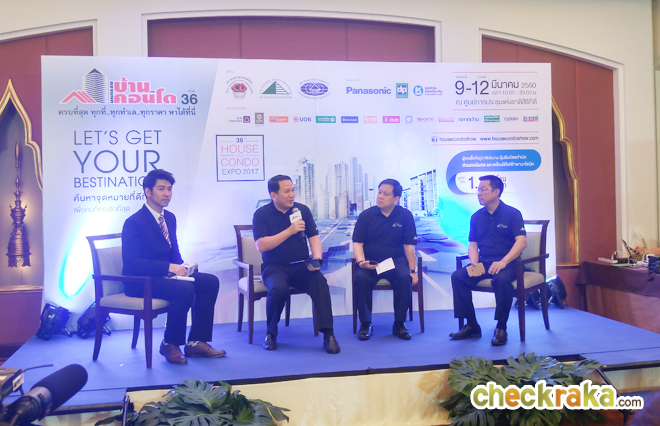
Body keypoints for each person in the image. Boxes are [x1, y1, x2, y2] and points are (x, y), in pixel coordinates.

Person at [122, 169, 225, 365]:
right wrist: (168, 267)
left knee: (210, 281)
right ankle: (170, 343)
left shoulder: (169, 218)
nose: (167, 193)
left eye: (169, 189)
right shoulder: (134, 222)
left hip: (166, 276)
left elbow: (173, 251)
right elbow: (132, 262)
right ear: (148, 191)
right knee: (184, 289)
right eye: (161, 189)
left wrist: (183, 267)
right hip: (142, 281)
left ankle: (196, 342)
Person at [252, 175, 340, 354]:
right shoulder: (261, 215)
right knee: (278, 288)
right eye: (287, 191)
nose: (292, 195)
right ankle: (271, 333)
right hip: (274, 267)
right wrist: (290, 231)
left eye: (293, 190)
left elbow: (314, 238)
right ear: (273, 195)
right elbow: (262, 245)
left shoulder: (302, 210)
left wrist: (317, 259)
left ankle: (329, 334)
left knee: (320, 282)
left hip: (301, 265)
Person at [449, 175, 527, 346]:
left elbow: (521, 242)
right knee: (458, 277)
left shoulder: (512, 213)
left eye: (483, 189)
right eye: (478, 189)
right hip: (484, 262)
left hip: (509, 263)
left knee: (501, 280)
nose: (479, 193)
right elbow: (473, 244)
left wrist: (504, 261)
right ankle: (471, 325)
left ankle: (501, 327)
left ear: (496, 192)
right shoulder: (476, 217)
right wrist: (474, 262)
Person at [352, 179, 418, 341]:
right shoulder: (366, 216)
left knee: (404, 277)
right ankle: (366, 323)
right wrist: (361, 262)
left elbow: (409, 246)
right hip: (370, 262)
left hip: (395, 261)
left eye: (385, 194)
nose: (380, 196)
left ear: (396, 198)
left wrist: (412, 270)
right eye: (379, 192)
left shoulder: (405, 215)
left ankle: (399, 324)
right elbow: (357, 244)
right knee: (361, 279)